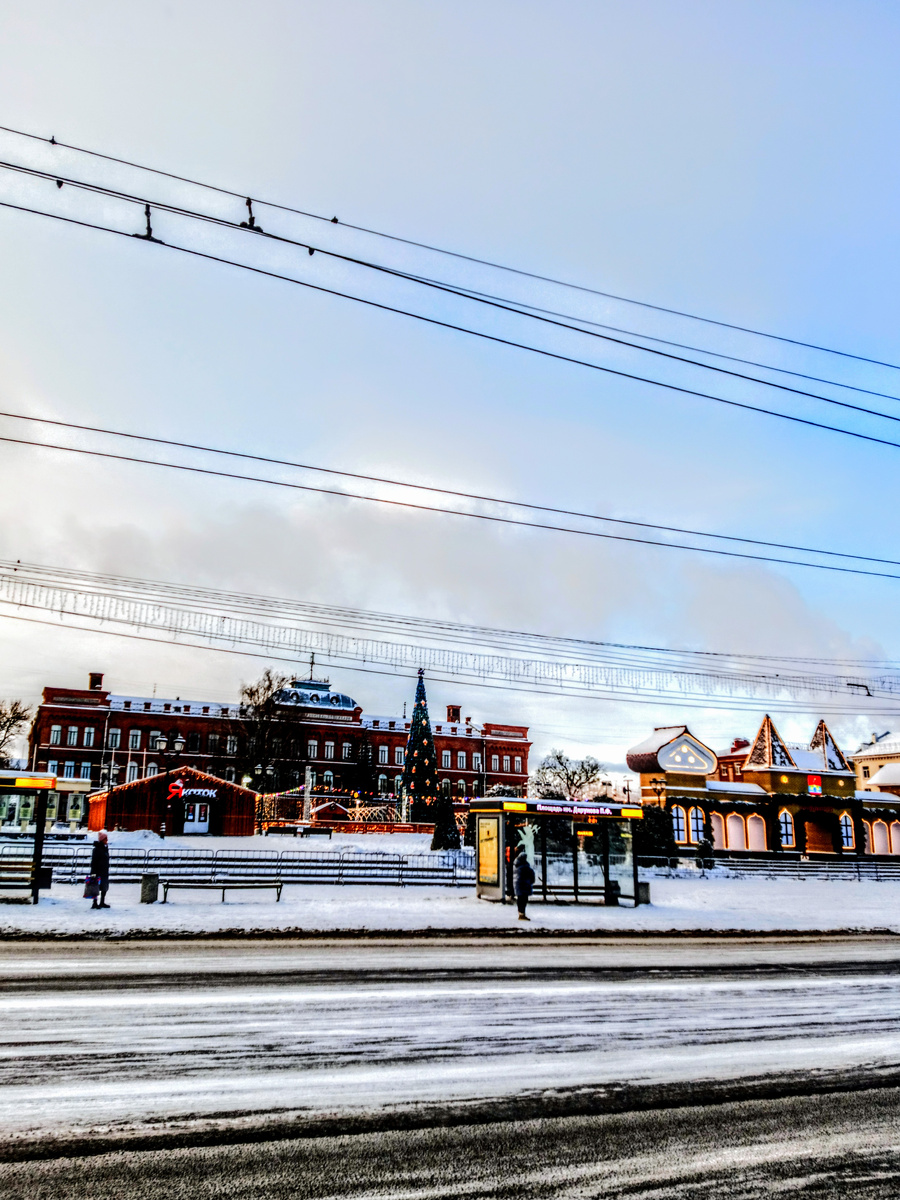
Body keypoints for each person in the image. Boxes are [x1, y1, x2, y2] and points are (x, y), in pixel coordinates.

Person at [513, 845, 535, 921]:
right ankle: (522, 914)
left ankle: (520, 913)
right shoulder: (525, 866)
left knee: (520, 899)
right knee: (524, 900)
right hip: (524, 885)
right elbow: (531, 875)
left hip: (518, 886)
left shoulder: (516, 864)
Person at [90, 830, 111, 909]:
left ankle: (102, 902)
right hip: (98, 871)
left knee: (104, 887)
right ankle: (94, 903)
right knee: (96, 887)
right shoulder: (97, 850)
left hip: (104, 871)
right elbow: (94, 862)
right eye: (106, 839)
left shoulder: (105, 849)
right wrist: (93, 872)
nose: (107, 841)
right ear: (102, 840)